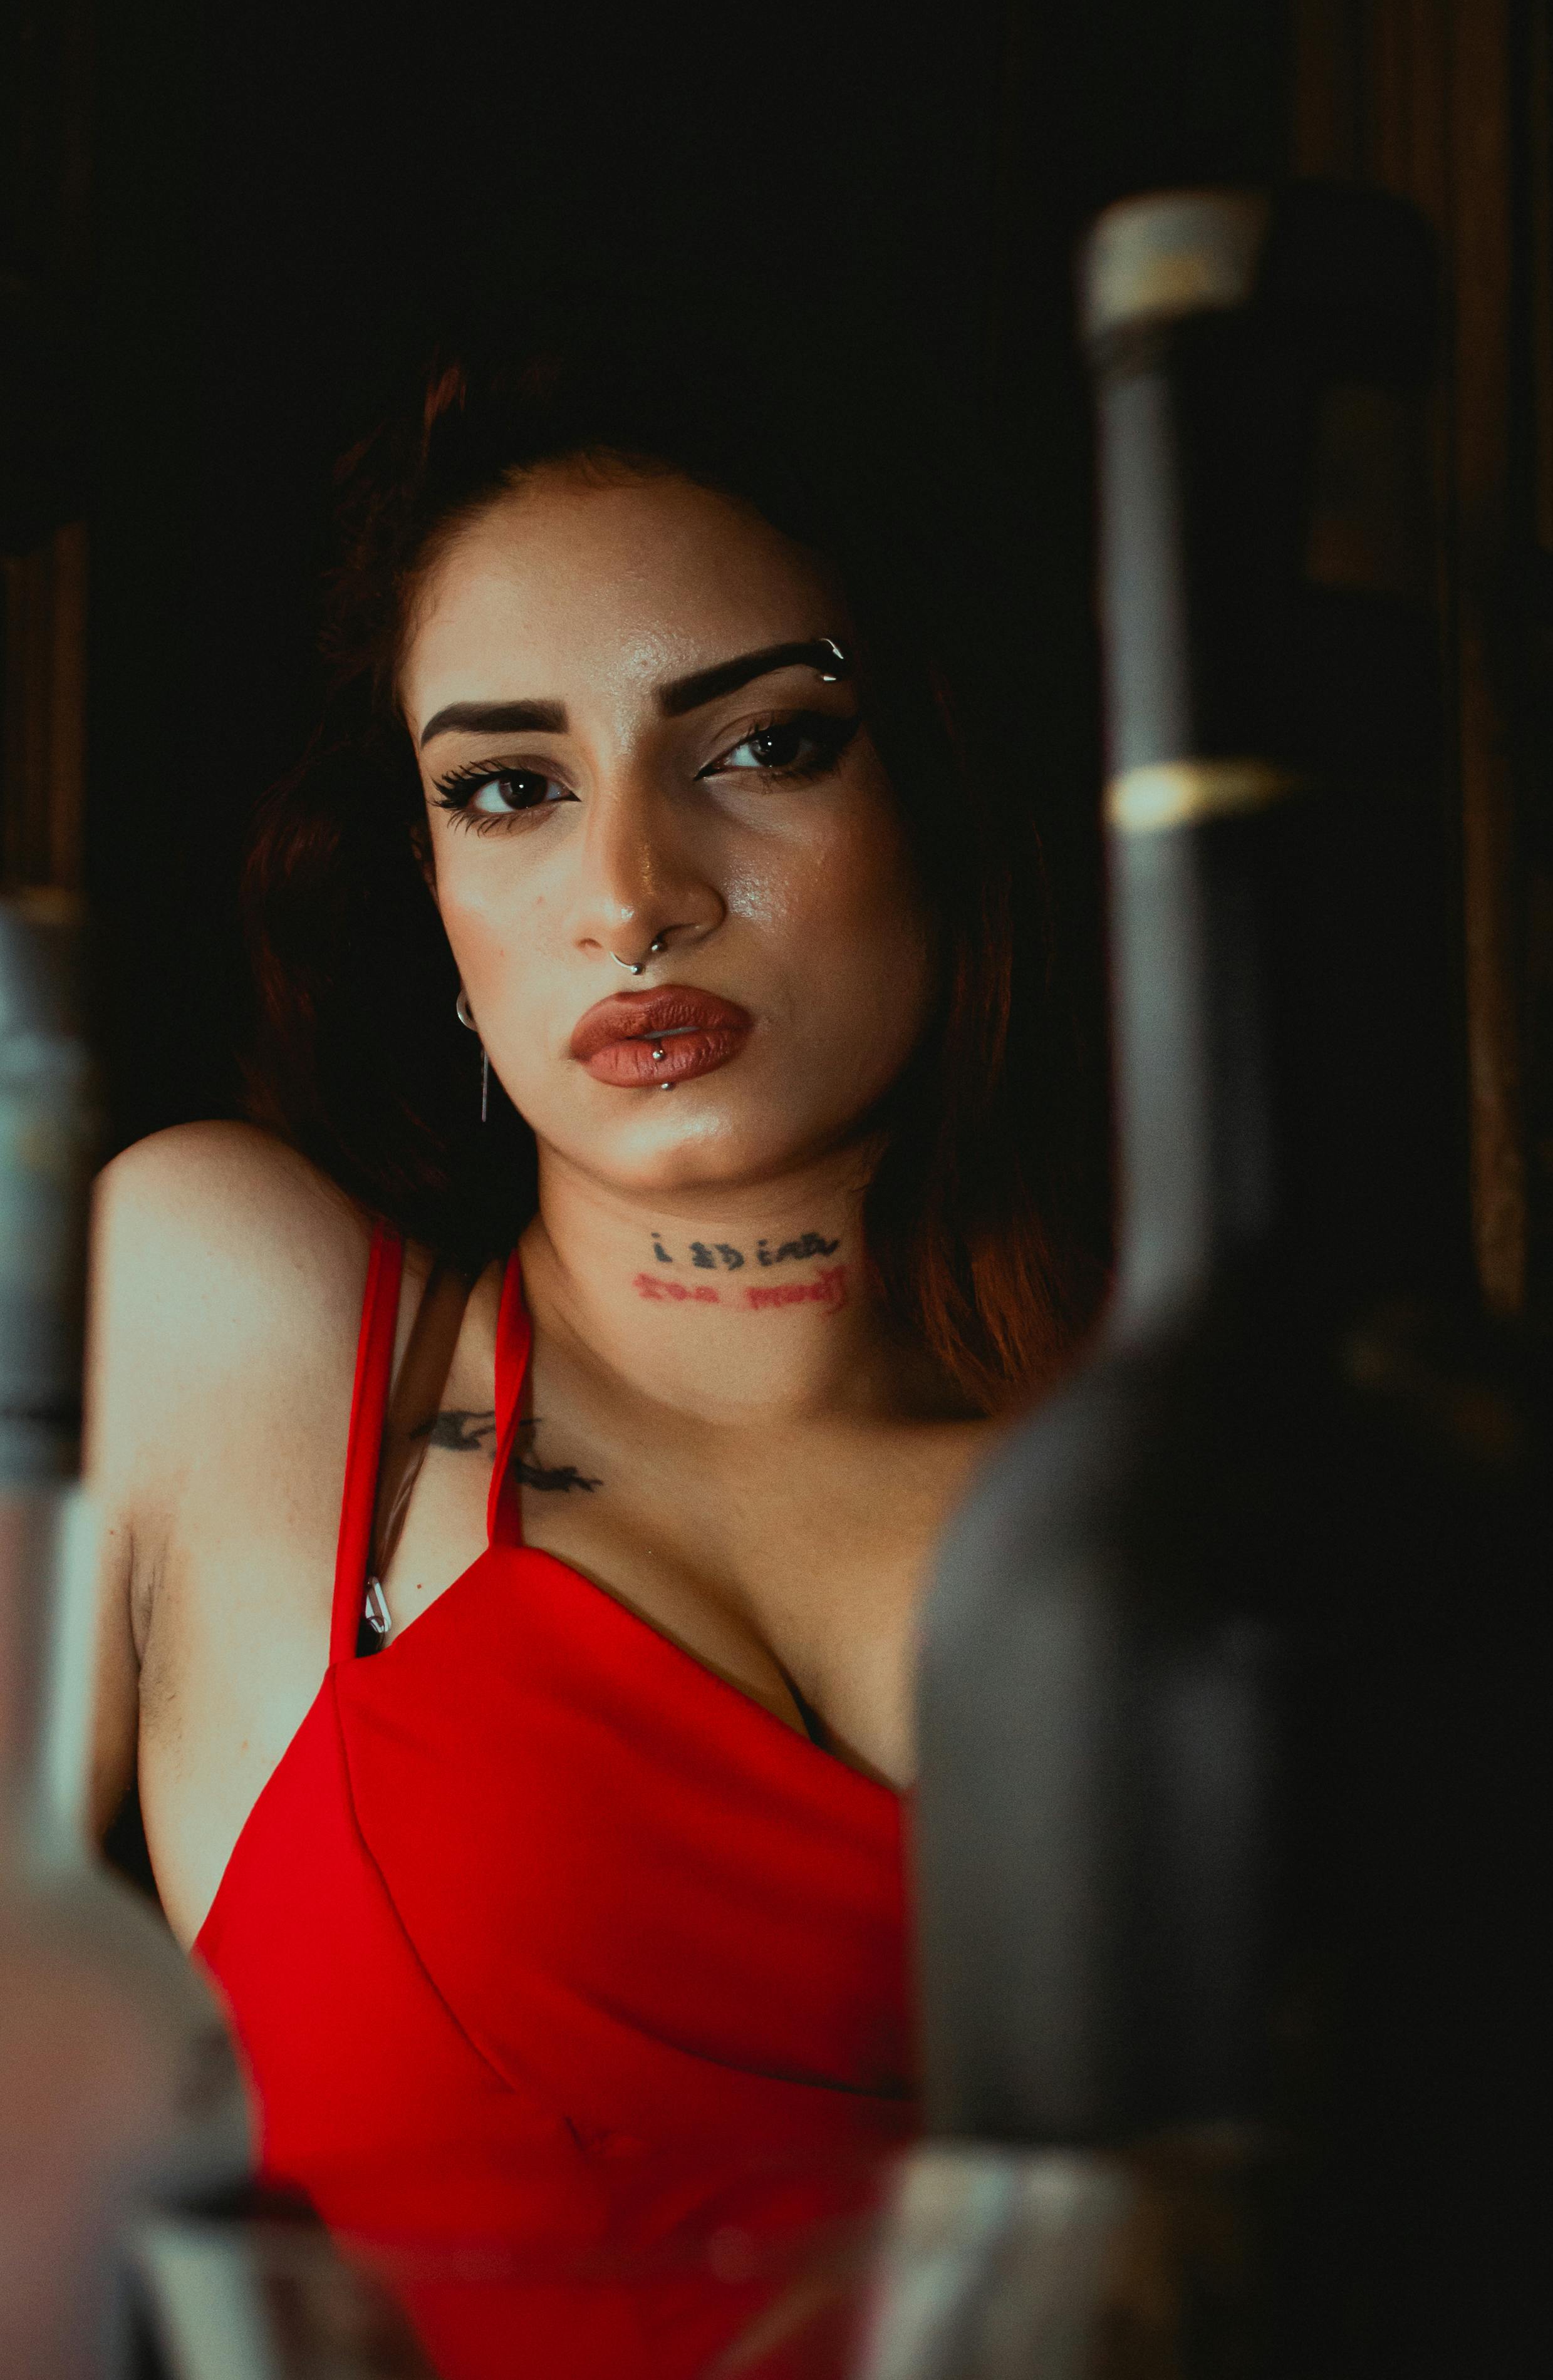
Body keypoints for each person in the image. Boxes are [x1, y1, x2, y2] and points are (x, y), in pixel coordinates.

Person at [82, 307, 1106, 2379]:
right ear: (433, 896)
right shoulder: (247, 1327)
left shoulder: (1219, 1487)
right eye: (509, 787)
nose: (630, 895)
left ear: (948, 791)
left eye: (762, 744)